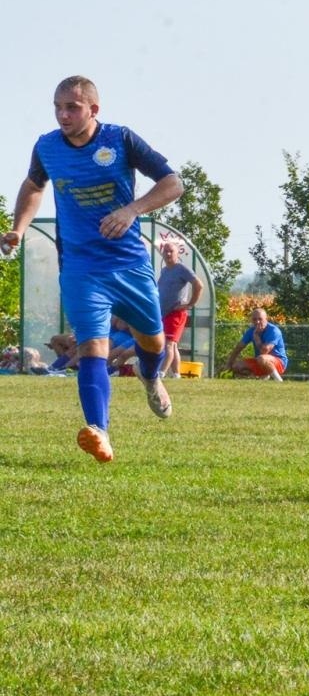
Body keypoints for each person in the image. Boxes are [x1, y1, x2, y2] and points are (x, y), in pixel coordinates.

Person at [2, 76, 183, 462]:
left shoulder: (121, 139)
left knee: (153, 342)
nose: (62, 115)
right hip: (80, 266)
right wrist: (18, 228)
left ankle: (151, 376)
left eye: (72, 107)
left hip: (129, 263)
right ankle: (98, 431)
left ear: (93, 110)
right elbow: (33, 186)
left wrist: (132, 210)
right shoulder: (47, 147)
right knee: (91, 346)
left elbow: (173, 183)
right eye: (57, 107)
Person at [156, 239, 203, 377]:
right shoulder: (164, 271)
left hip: (175, 313)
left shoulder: (181, 269)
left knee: (168, 344)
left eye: (171, 251)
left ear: (177, 253)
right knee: (173, 345)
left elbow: (199, 285)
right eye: (166, 251)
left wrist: (190, 304)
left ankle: (161, 373)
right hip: (165, 313)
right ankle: (177, 375)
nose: (168, 254)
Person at [225, 306, 288, 380]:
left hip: (279, 362)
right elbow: (239, 347)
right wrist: (229, 364)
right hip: (259, 361)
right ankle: (261, 378)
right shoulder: (251, 331)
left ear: (266, 319)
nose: (257, 322)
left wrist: (257, 338)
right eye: (254, 319)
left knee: (262, 358)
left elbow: (264, 351)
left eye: (260, 319)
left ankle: (278, 380)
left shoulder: (273, 330)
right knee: (236, 366)